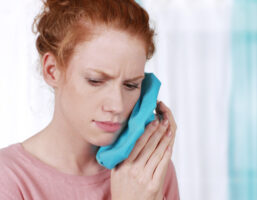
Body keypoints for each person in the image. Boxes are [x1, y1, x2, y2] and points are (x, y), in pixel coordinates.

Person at [0, 0, 180, 199]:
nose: (117, 106)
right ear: (52, 71)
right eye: (96, 81)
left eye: (131, 85)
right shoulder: (8, 178)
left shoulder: (148, 170)